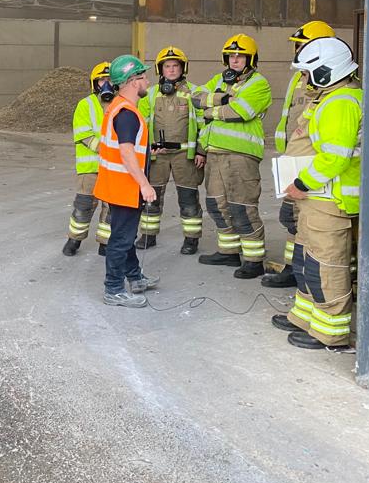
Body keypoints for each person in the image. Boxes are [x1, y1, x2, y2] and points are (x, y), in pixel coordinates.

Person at [271, 37, 361, 349]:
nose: (305, 79)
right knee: (307, 260)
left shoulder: (340, 103)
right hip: (316, 197)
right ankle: (305, 316)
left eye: (308, 73)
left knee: (326, 265)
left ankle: (330, 332)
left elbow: (334, 158)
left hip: (329, 198)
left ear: (326, 71)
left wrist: (301, 183)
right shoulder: (329, 97)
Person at [192, 34, 273, 279]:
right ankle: (228, 252)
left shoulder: (259, 83)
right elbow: (195, 97)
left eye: (240, 56)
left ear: (251, 59)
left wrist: (210, 110)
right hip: (215, 153)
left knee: (242, 208)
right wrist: (223, 99)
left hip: (241, 156)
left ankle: (254, 260)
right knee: (216, 205)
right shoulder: (219, 79)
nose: (235, 60)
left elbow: (239, 112)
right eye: (231, 56)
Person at [264, 21, 336, 289]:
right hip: (293, 161)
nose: (297, 51)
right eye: (297, 46)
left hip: (312, 168)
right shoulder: (299, 77)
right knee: (291, 219)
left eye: (303, 46)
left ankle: (311, 274)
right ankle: (294, 270)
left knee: (303, 223)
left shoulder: (328, 80)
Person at [93, 54, 159, 307]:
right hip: (125, 188)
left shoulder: (119, 107)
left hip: (117, 185)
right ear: (133, 81)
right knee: (121, 239)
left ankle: (135, 277)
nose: (148, 81)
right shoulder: (127, 114)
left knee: (125, 234)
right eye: (143, 76)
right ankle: (113, 289)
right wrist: (144, 184)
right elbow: (126, 152)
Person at [136, 46, 205, 255]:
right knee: (151, 197)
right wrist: (146, 152)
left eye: (175, 65)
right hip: (157, 155)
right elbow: (141, 124)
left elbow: (204, 124)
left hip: (185, 156)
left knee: (188, 198)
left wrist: (201, 151)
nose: (172, 70)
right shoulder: (150, 94)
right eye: (167, 66)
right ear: (161, 69)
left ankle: (191, 239)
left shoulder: (194, 92)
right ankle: (148, 235)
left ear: (183, 68)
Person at [63, 62, 115, 257]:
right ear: (95, 83)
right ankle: (74, 239)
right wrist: (108, 150)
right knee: (84, 206)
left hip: (113, 168)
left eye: (110, 80)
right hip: (90, 168)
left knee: (111, 209)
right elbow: (83, 134)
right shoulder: (85, 105)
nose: (106, 83)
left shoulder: (121, 104)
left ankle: (105, 243)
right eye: (102, 80)